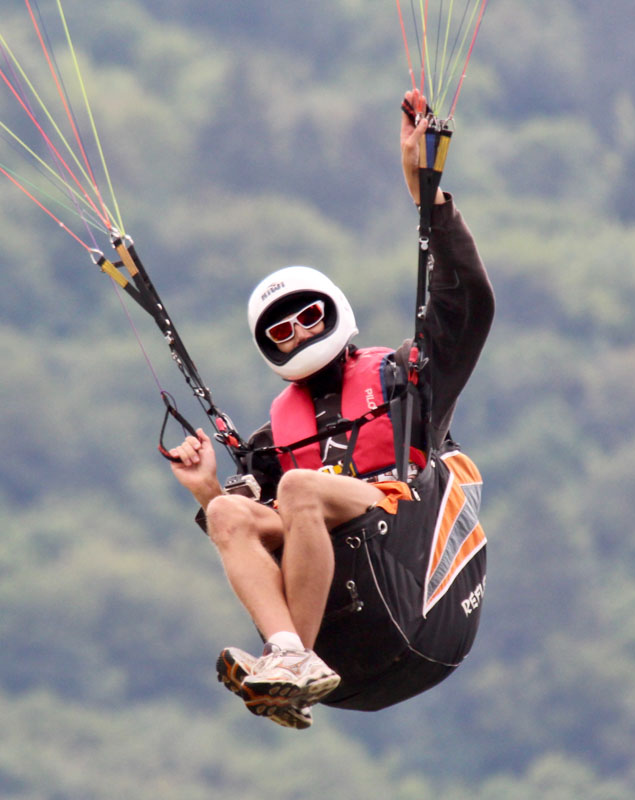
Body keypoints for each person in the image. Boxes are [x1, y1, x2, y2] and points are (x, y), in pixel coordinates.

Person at [168, 89, 494, 729]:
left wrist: (427, 197)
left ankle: (294, 656)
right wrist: (207, 489)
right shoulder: (270, 443)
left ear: (335, 310)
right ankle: (288, 655)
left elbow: (467, 303)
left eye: (308, 317)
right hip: (351, 628)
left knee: (298, 488)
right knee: (229, 511)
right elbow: (251, 533)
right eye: (280, 331)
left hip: (406, 552)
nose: (297, 335)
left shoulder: (406, 379)